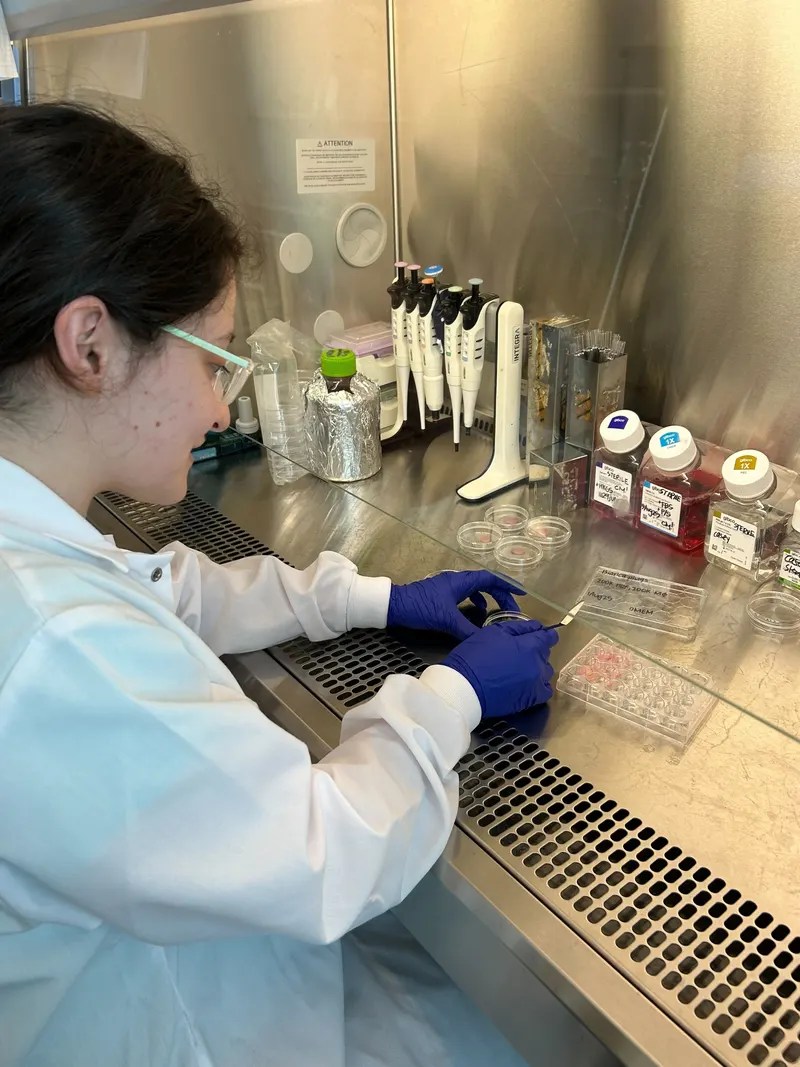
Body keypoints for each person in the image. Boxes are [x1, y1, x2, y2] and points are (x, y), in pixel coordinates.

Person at [0, 102, 557, 1067]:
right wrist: (452, 695)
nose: (222, 405)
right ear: (89, 345)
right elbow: (324, 849)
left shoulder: (37, 548)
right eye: (215, 356)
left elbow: (161, 587)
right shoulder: (51, 647)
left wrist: (361, 599)